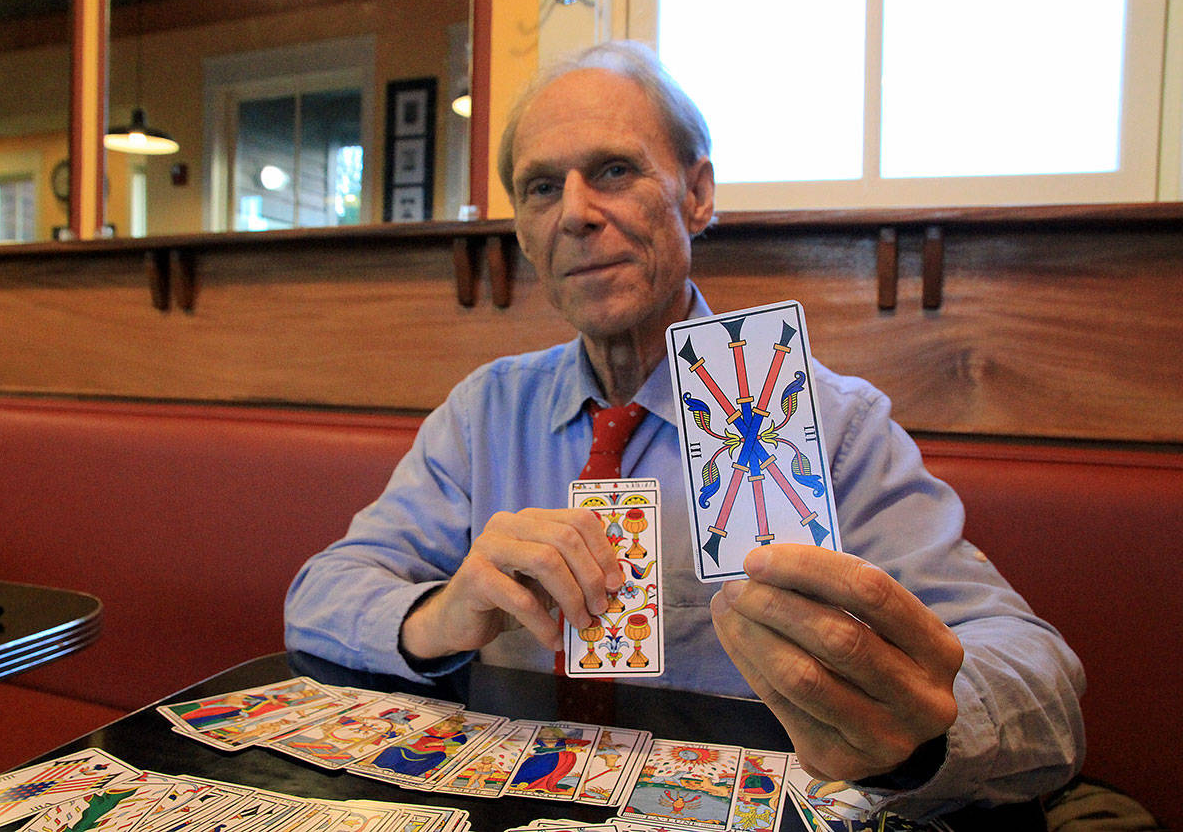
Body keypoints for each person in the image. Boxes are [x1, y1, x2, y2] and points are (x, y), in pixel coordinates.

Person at [285, 40, 1085, 820]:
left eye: (613, 171)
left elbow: (1038, 678)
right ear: (524, 236)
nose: (575, 213)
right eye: (539, 188)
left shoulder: (828, 421)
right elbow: (318, 595)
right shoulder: (482, 414)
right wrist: (439, 615)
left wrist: (910, 732)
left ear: (698, 194)